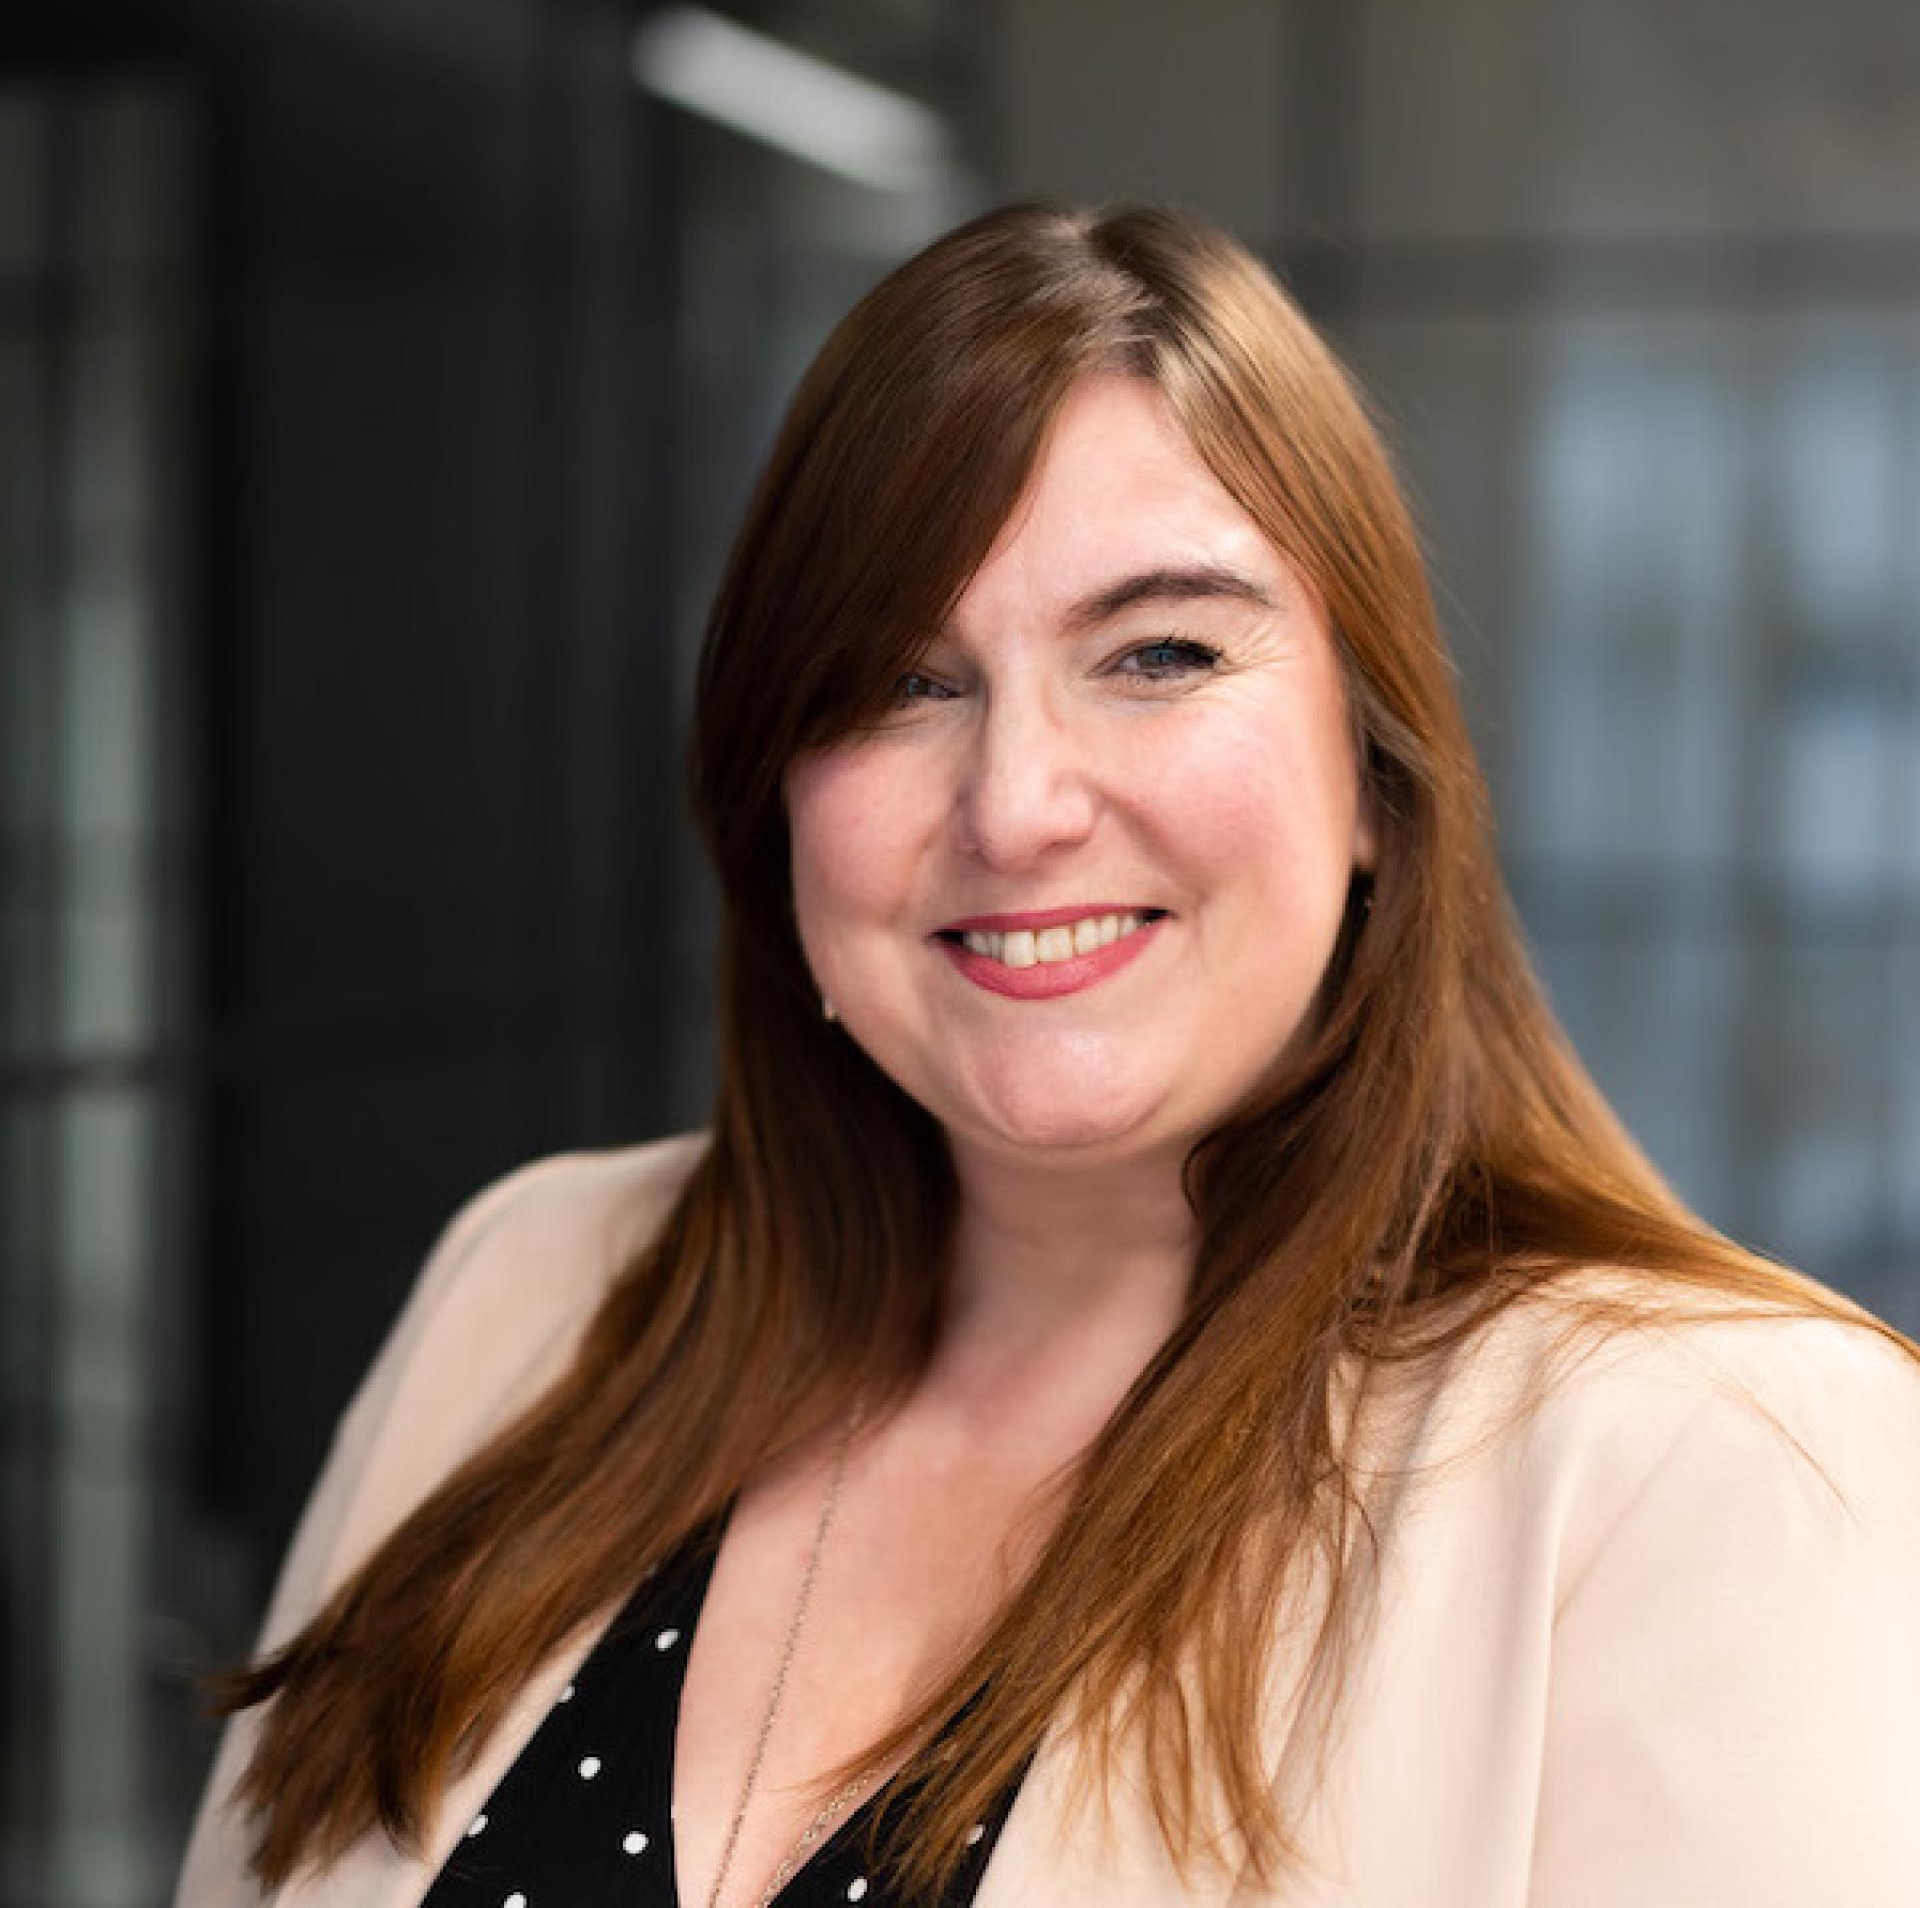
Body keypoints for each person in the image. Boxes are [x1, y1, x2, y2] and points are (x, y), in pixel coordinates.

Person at [176, 199, 1920, 1908]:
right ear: (777, 797)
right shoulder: (529, 1284)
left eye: (1158, 653)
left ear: (1375, 777)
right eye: (898, 683)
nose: (1015, 807)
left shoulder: (1725, 1459)